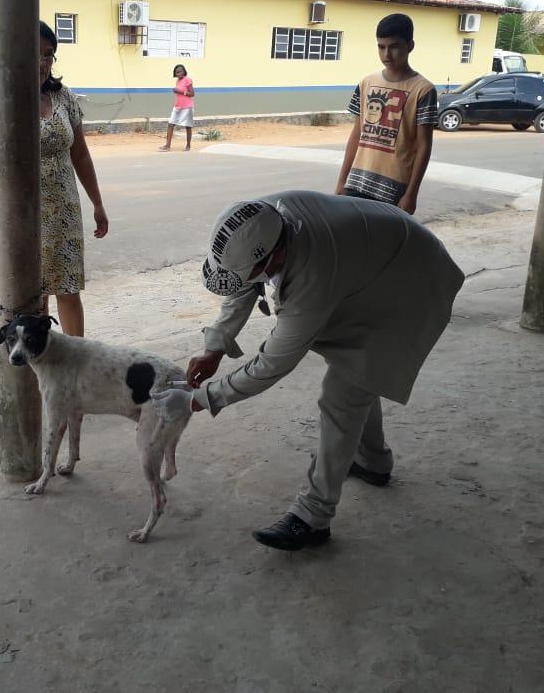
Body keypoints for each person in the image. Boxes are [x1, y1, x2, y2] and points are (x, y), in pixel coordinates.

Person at [151, 191, 464, 551]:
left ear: (277, 256)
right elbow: (245, 282)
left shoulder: (312, 275)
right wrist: (215, 346)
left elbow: (272, 365)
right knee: (359, 374)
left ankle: (313, 516)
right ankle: (373, 461)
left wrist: (200, 399)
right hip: (377, 261)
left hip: (411, 283)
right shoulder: (261, 223)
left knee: (343, 394)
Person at [0, 21, 108, 337]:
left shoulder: (63, 96)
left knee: (67, 288)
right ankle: (44, 366)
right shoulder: (2, 98)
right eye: (34, 54)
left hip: (64, 209)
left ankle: (76, 362)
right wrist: (16, 203)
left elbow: (80, 155)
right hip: (26, 212)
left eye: (49, 55)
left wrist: (97, 203)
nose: (42, 62)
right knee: (34, 294)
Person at [335, 14, 438, 215]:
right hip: (357, 182)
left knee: (382, 244)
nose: (387, 55)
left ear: (410, 45)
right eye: (381, 47)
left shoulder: (423, 90)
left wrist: (411, 193)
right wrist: (342, 181)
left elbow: (423, 146)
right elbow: (357, 135)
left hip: (394, 189)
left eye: (394, 46)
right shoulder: (366, 83)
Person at [159, 64, 195, 152]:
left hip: (187, 107)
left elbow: (192, 94)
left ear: (184, 71)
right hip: (178, 106)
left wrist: (180, 91)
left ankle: (188, 146)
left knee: (188, 126)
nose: (179, 73)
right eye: (177, 72)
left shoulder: (187, 79)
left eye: (181, 71)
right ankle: (167, 146)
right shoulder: (177, 81)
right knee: (170, 124)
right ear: (175, 73)